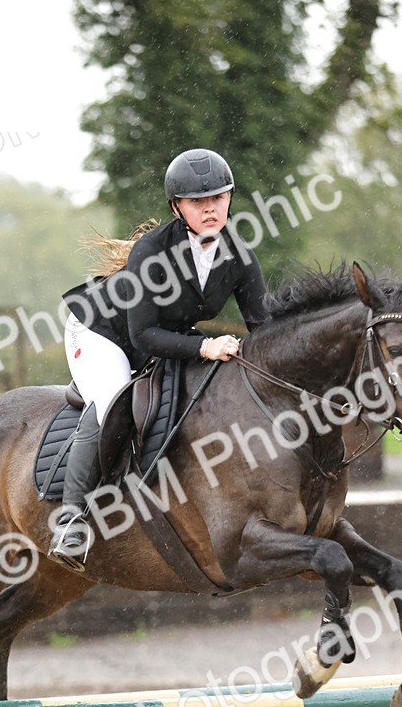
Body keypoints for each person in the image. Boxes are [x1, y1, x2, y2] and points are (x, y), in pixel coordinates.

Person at [48, 147, 268, 571]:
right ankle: (71, 519)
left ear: (229, 199)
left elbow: (264, 327)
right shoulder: (151, 251)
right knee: (113, 399)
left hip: (163, 336)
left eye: (218, 198)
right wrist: (206, 346)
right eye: (197, 202)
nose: (210, 208)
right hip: (102, 333)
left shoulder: (239, 255)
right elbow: (143, 335)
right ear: (177, 207)